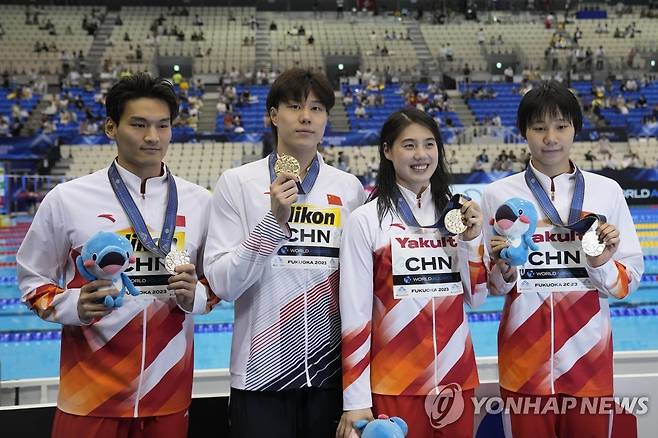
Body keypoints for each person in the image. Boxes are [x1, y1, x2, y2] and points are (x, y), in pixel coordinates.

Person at [16, 73, 218, 438]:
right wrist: (71, 304)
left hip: (168, 394)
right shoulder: (68, 198)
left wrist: (197, 296)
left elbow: (217, 280)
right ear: (111, 127)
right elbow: (32, 280)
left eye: (162, 125)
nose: (152, 137)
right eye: (138, 125)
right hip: (88, 395)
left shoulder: (200, 202)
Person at [203, 68, 366, 438]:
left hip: (331, 375)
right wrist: (274, 223)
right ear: (273, 115)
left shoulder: (350, 189)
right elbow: (224, 283)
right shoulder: (238, 183)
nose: (306, 116)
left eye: (317, 108)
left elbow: (361, 283)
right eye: (294, 106)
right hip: (260, 374)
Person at [481, 81, 644, 437]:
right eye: (539, 128)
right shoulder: (498, 194)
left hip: (589, 362)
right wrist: (504, 268)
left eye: (560, 126)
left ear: (575, 129)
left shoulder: (607, 192)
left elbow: (627, 283)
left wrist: (600, 261)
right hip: (523, 363)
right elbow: (491, 285)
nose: (550, 137)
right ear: (524, 132)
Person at [337, 108, 487, 438]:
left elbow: (477, 296)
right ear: (388, 151)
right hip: (395, 383)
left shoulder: (458, 214)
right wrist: (356, 399)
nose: (421, 155)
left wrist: (473, 241)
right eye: (409, 145)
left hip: (456, 380)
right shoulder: (367, 220)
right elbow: (355, 314)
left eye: (429, 144)